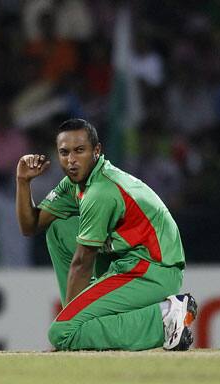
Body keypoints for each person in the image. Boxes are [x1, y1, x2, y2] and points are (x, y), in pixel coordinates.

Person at [15, 118, 197, 351]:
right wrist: (22, 181)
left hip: (155, 268)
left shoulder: (100, 192)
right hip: (127, 259)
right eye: (64, 152)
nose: (71, 160)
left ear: (96, 151)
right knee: (58, 229)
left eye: (79, 151)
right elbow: (30, 226)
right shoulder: (75, 183)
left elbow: (82, 263)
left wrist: (69, 325)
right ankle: (75, 325)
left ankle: (163, 318)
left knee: (61, 333)